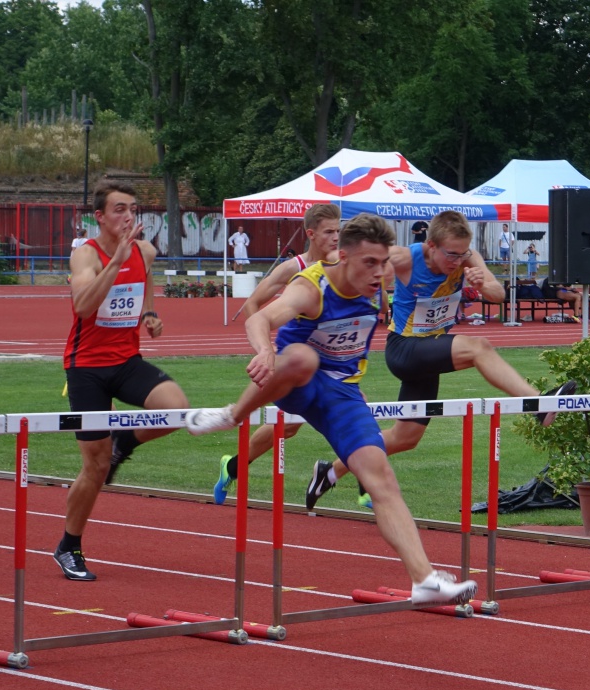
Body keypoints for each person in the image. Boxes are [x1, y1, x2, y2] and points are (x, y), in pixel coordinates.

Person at [185, 213, 477, 607]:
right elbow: (260, 317)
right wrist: (266, 350)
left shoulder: (379, 287)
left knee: (382, 478)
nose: (379, 273)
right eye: (369, 264)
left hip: (343, 394)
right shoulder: (312, 287)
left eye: (383, 263)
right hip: (297, 382)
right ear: (343, 256)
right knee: (303, 357)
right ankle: (233, 415)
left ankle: (424, 579)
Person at [305, 210, 574, 510]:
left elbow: (498, 295)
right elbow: (352, 260)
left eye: (463, 254)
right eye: (451, 255)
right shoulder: (406, 258)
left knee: (405, 438)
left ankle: (328, 472)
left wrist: (481, 281)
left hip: (428, 354)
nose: (457, 262)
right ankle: (539, 404)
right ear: (431, 245)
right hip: (404, 349)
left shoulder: (468, 259)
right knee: (478, 347)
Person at [54, 179, 189, 581]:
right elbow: (82, 305)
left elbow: (145, 280)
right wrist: (114, 263)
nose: (128, 215)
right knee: (94, 468)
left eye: (132, 208)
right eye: (119, 209)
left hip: (127, 361)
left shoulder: (145, 251)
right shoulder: (85, 256)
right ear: (99, 216)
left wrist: (148, 313)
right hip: (86, 368)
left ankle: (122, 443)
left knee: (176, 409)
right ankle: (69, 546)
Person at [212, 203, 342, 505]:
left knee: (293, 425)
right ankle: (367, 488)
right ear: (311, 234)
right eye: (329, 232)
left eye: (339, 230)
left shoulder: (342, 265)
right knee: (295, 423)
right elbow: (253, 306)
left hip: (329, 357)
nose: (336, 237)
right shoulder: (293, 268)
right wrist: (266, 349)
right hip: (294, 356)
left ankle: (232, 465)